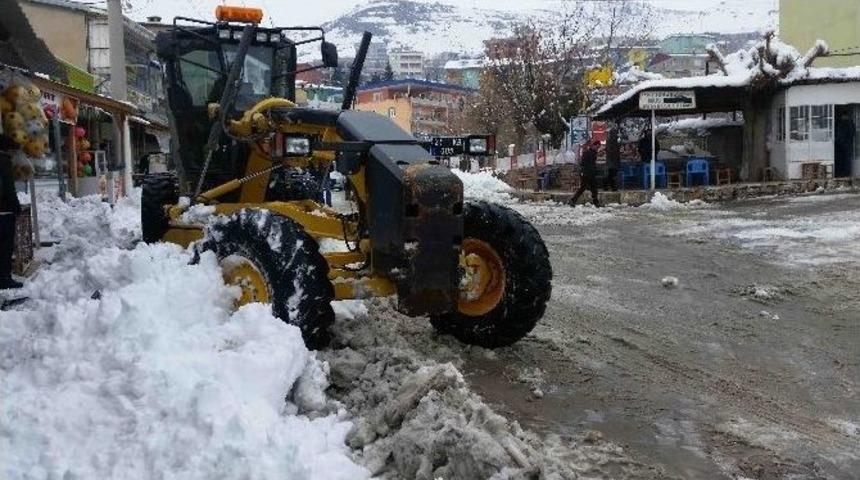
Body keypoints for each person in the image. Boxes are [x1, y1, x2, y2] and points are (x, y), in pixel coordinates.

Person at [0, 135, 23, 289]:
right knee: (5, 247)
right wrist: (16, 206)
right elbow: (8, 187)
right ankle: (4, 279)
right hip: (4, 211)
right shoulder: (3, 161)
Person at [570, 140, 600, 207]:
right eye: (597, 147)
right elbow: (583, 163)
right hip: (586, 173)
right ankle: (573, 200)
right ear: (593, 146)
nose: (597, 148)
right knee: (583, 187)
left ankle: (596, 202)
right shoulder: (588, 153)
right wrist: (584, 171)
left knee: (594, 188)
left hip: (591, 173)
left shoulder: (593, 153)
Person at [835, 111, 855, 178]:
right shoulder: (851, 123)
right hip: (848, 144)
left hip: (843, 145)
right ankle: (846, 173)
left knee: (843, 159)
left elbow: (841, 135)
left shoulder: (843, 124)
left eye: (842, 116)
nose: (842, 117)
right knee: (846, 159)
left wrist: (838, 141)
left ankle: (844, 173)